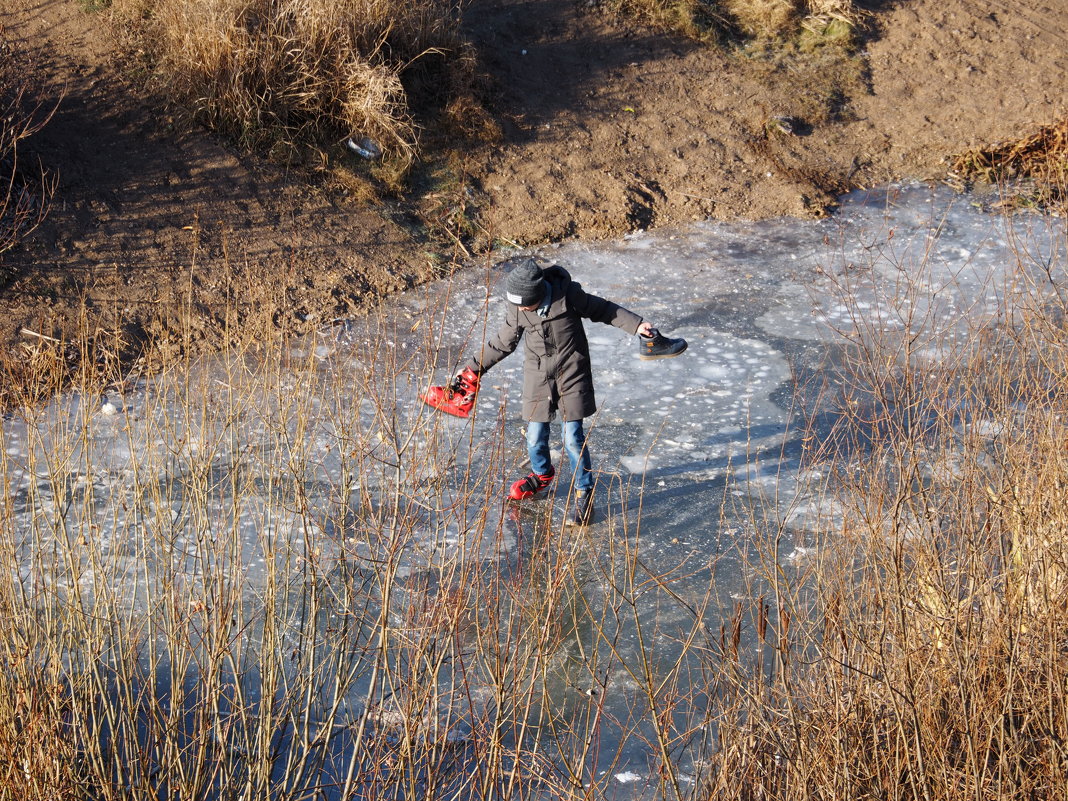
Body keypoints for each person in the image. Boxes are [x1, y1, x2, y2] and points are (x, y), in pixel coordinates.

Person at [422, 256, 686, 525]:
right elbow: (502, 343)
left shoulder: (569, 295)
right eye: (517, 305)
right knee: (535, 437)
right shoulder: (518, 309)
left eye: (526, 304)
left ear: (538, 294)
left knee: (572, 438)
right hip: (538, 377)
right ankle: (541, 475)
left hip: (573, 374)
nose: (522, 309)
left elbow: (604, 310)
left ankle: (584, 493)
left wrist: (637, 325)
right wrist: (471, 370)